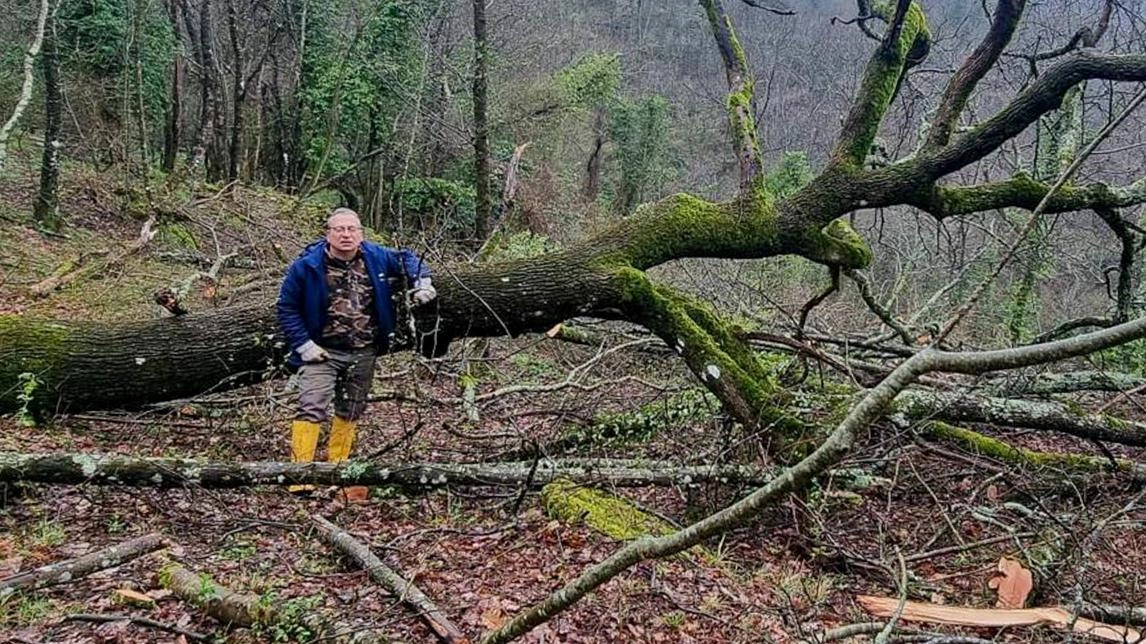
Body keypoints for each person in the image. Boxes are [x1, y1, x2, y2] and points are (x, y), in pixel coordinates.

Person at [277, 207, 436, 500]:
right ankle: (300, 476)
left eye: (352, 229)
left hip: (363, 351)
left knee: (351, 409)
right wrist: (303, 345)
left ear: (361, 234)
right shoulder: (307, 266)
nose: (346, 234)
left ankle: (338, 470)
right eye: (340, 229)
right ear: (329, 234)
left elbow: (408, 258)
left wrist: (422, 281)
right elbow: (286, 307)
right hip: (320, 352)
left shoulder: (375, 256)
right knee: (311, 406)